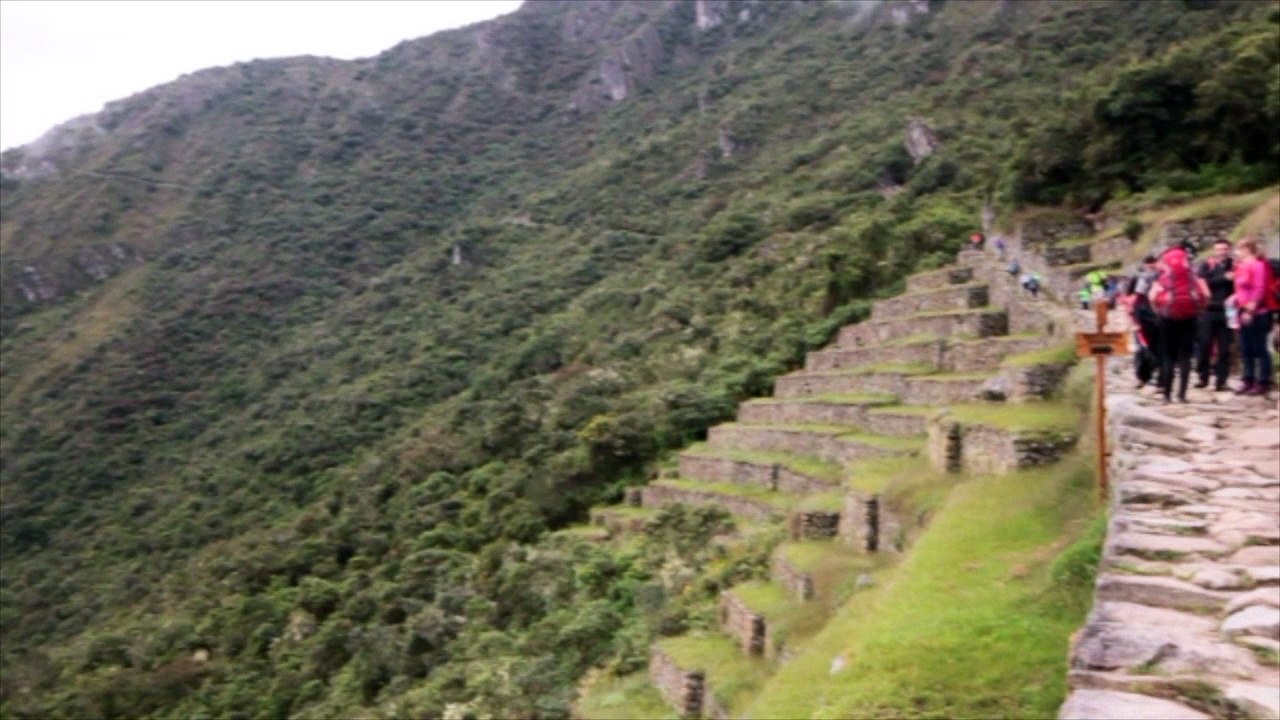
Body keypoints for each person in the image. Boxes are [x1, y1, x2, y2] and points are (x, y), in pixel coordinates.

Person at [1149, 244, 1210, 403]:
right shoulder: (1192, 275)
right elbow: (1206, 294)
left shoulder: (1162, 277)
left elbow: (1152, 297)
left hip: (1167, 318)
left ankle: (1167, 395)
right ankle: (1182, 395)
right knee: (1185, 356)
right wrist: (1200, 310)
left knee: (1168, 356)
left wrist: (1157, 311)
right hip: (1189, 317)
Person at [1230, 236, 1275, 396]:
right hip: (1242, 309)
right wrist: (1235, 298)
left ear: (1247, 250)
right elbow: (1240, 289)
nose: (1236, 253)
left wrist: (1251, 310)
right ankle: (1247, 379)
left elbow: (1259, 288)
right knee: (1245, 348)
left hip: (1257, 311)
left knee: (1260, 347)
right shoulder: (1241, 267)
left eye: (1239, 249)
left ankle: (1263, 380)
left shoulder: (1258, 265)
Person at [1194, 239, 1234, 391]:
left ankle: (1221, 380)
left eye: (1224, 249)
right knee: (1204, 345)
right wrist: (1224, 278)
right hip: (1208, 310)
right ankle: (1202, 377)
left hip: (1227, 311)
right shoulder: (1207, 264)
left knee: (1224, 348)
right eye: (1219, 249)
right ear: (1214, 250)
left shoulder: (1234, 265)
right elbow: (1203, 282)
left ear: (1229, 250)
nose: (1222, 252)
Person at [1126, 255, 1161, 388]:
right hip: (1141, 318)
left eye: (1153, 263)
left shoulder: (1162, 278)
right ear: (1144, 265)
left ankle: (1157, 376)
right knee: (1142, 349)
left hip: (1158, 318)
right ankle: (1142, 377)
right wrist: (1133, 319)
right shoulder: (1137, 278)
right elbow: (1130, 298)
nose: (1151, 266)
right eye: (1148, 264)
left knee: (1157, 348)